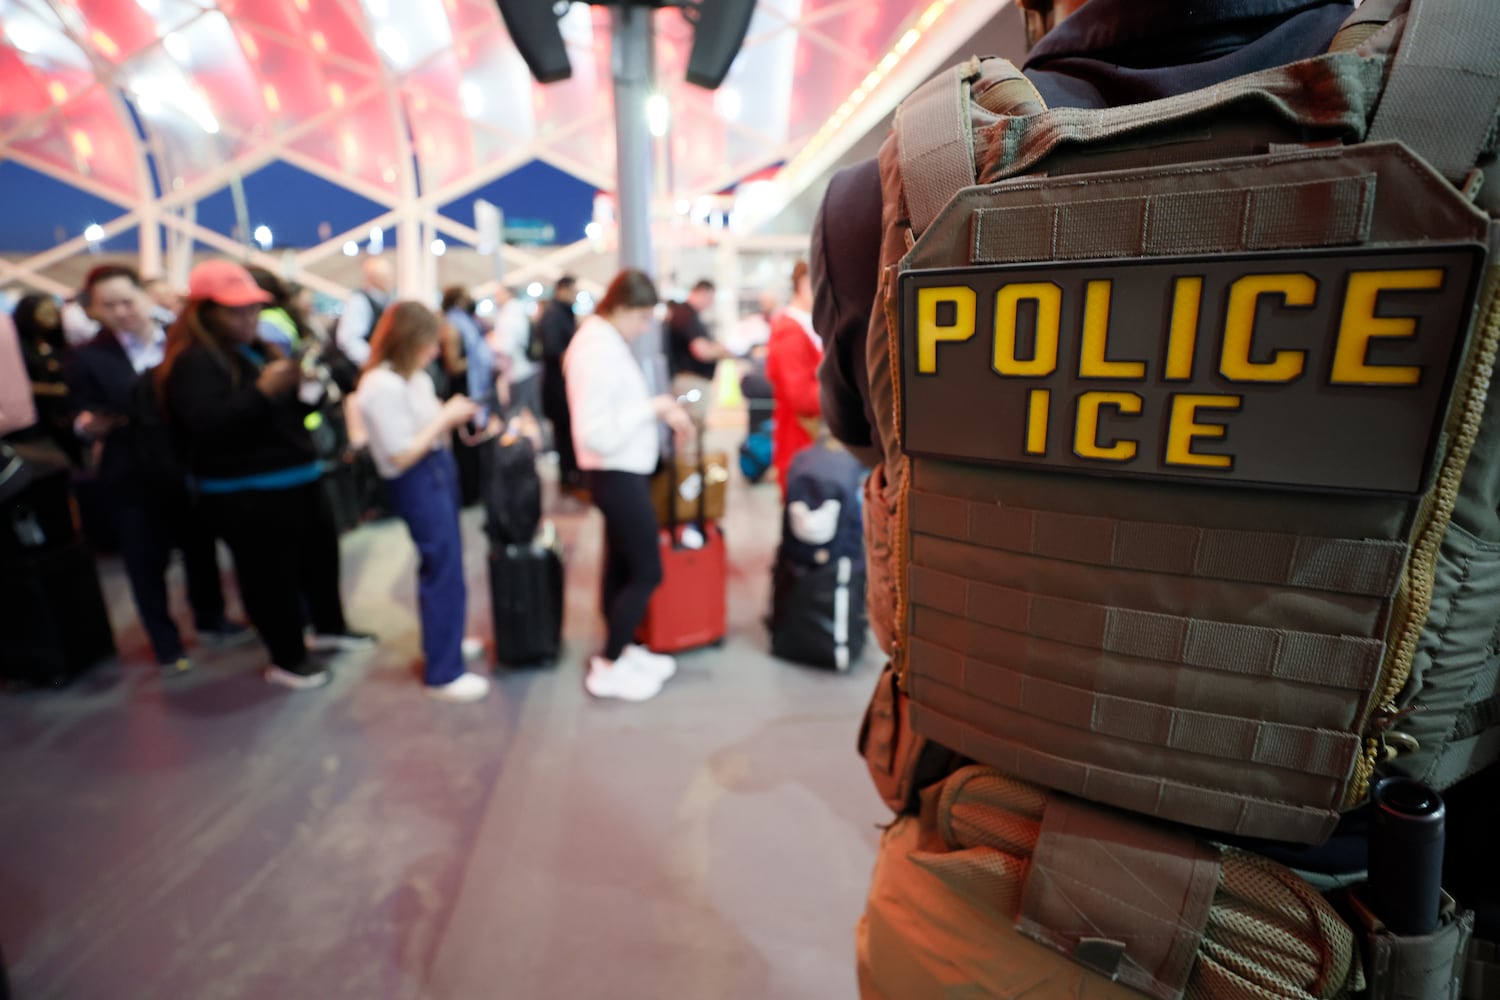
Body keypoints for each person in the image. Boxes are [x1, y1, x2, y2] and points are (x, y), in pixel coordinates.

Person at [814, 0, 1500, 996]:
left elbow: (874, 448)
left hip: (963, 915)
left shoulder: (886, 194)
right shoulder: (1472, 118)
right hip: (1357, 921)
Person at [158, 260, 374, 690]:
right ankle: (287, 657)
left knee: (319, 560)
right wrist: (263, 392)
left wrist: (305, 394)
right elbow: (208, 426)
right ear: (205, 312)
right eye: (235, 311)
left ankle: (328, 627)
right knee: (269, 578)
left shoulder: (257, 351)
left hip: (298, 477)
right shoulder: (194, 363)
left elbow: (284, 417)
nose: (247, 318)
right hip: (246, 493)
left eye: (251, 310)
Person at [65, 265, 247, 674]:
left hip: (186, 462)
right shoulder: (88, 356)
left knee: (200, 547)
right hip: (131, 470)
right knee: (144, 560)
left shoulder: (182, 343)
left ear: (145, 297)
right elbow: (75, 413)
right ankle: (165, 643)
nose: (121, 311)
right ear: (94, 310)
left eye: (127, 301)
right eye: (108, 305)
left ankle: (211, 618)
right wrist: (88, 425)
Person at [564, 269, 692, 702]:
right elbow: (594, 432)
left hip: (623, 469)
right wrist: (652, 408)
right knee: (646, 569)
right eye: (642, 318)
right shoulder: (595, 350)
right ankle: (611, 660)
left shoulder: (603, 343)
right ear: (623, 308)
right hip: (614, 470)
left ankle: (620, 651)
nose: (644, 329)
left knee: (621, 566)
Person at [356, 302, 491, 703]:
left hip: (436, 469)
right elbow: (399, 454)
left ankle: (446, 642)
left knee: (450, 562)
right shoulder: (380, 386)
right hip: (416, 480)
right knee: (440, 565)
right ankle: (443, 670)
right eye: (430, 343)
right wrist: (445, 419)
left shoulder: (412, 378)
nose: (435, 352)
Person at [763, 261, 822, 494]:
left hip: (809, 440)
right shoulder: (790, 330)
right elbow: (801, 397)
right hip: (800, 440)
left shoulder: (806, 325)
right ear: (803, 284)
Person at [11, 294, 81, 464]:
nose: (52, 316)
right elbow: (15, 384)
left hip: (63, 413)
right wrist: (54, 390)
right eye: (44, 312)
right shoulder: (17, 346)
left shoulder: (57, 342)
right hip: (36, 415)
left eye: (53, 311)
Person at [539, 275, 582, 492]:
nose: (575, 296)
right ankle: (568, 477)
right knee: (564, 433)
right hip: (557, 385)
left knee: (567, 432)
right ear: (562, 289)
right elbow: (552, 349)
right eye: (573, 291)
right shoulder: (554, 314)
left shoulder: (562, 312)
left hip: (564, 383)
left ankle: (571, 475)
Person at [665, 279, 730, 418]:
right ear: (702, 292)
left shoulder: (687, 314)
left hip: (691, 381)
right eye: (711, 298)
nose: (711, 303)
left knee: (695, 427)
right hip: (690, 381)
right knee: (693, 426)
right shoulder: (686, 315)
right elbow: (701, 351)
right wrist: (723, 351)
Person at [490, 285, 541, 422]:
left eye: (498, 294)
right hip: (523, 369)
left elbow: (507, 347)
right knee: (527, 413)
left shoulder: (509, 315)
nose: (496, 298)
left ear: (508, 294)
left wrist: (491, 342)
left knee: (517, 415)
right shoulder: (516, 312)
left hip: (519, 371)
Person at [335, 256, 393, 365]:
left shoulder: (384, 301)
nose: (390, 280)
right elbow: (348, 339)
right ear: (372, 278)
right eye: (384, 276)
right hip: (361, 368)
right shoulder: (359, 301)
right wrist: (373, 361)